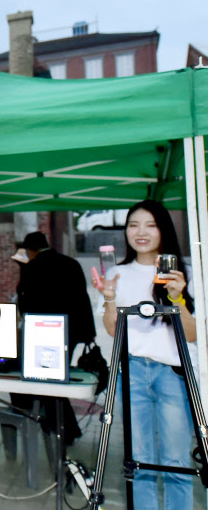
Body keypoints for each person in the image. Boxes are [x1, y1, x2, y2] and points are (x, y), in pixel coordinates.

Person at [94, 200, 196, 510]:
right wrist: (110, 298)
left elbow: (190, 334)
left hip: (173, 373)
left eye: (150, 225)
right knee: (139, 460)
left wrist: (177, 296)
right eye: (133, 225)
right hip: (132, 372)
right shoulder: (118, 272)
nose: (140, 232)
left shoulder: (184, 272)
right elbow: (113, 330)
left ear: (163, 230)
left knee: (177, 459)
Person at [12, 231, 97, 445]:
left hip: (47, 333)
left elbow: (26, 302)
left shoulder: (31, 268)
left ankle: (63, 430)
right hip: (75, 329)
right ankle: (66, 428)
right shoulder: (71, 263)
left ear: (30, 250)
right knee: (57, 379)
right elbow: (82, 297)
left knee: (49, 382)